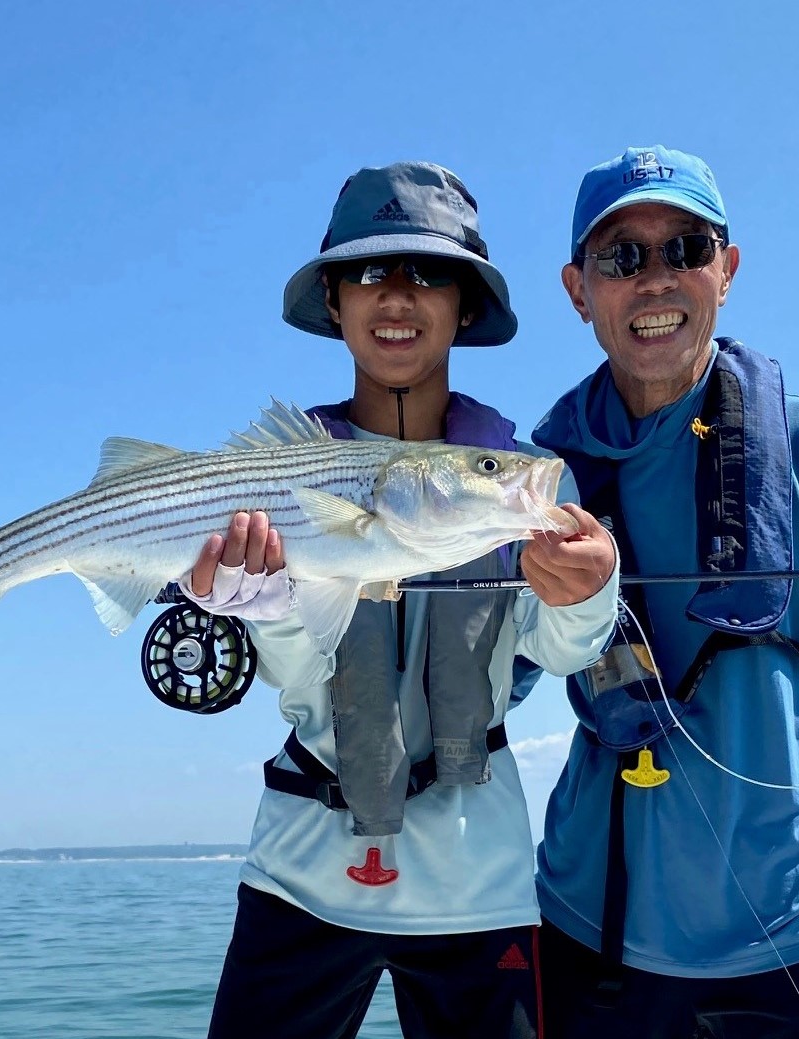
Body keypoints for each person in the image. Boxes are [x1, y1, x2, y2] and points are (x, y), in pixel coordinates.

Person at [530, 146, 799, 1038]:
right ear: (579, 291)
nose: (655, 280)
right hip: (591, 929)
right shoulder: (537, 479)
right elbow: (495, 684)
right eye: (621, 257)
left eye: (685, 248)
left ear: (725, 271)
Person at [179, 160, 620, 1039]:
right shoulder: (279, 481)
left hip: (476, 881)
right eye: (370, 272)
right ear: (334, 301)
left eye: (428, 274)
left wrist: (590, 592)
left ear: (463, 305)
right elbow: (296, 674)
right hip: (301, 872)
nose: (397, 297)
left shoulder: (513, 479)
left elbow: (564, 649)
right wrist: (266, 606)